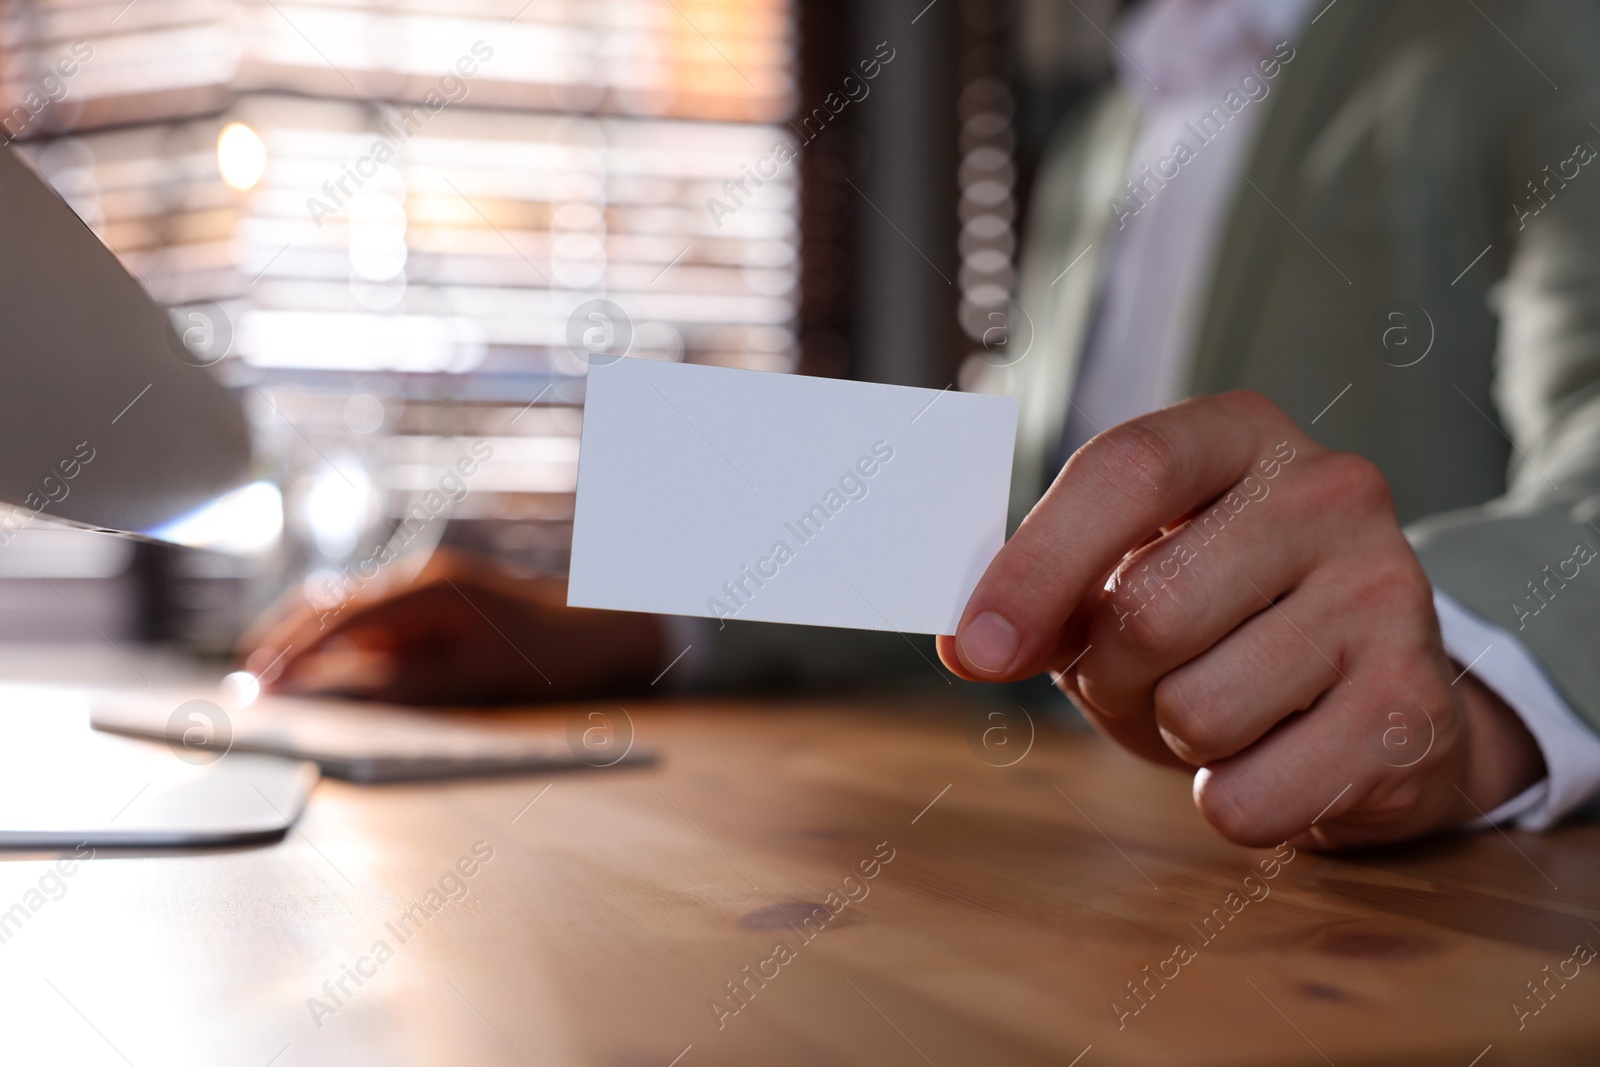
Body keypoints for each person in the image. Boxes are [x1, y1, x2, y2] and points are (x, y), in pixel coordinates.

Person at [243, 0, 1600, 851]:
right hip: (1086, 869)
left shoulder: (1532, 37)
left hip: (1371, 913)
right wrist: (633, 622)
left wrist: (1464, 690)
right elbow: (1005, 555)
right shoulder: (1110, 132)